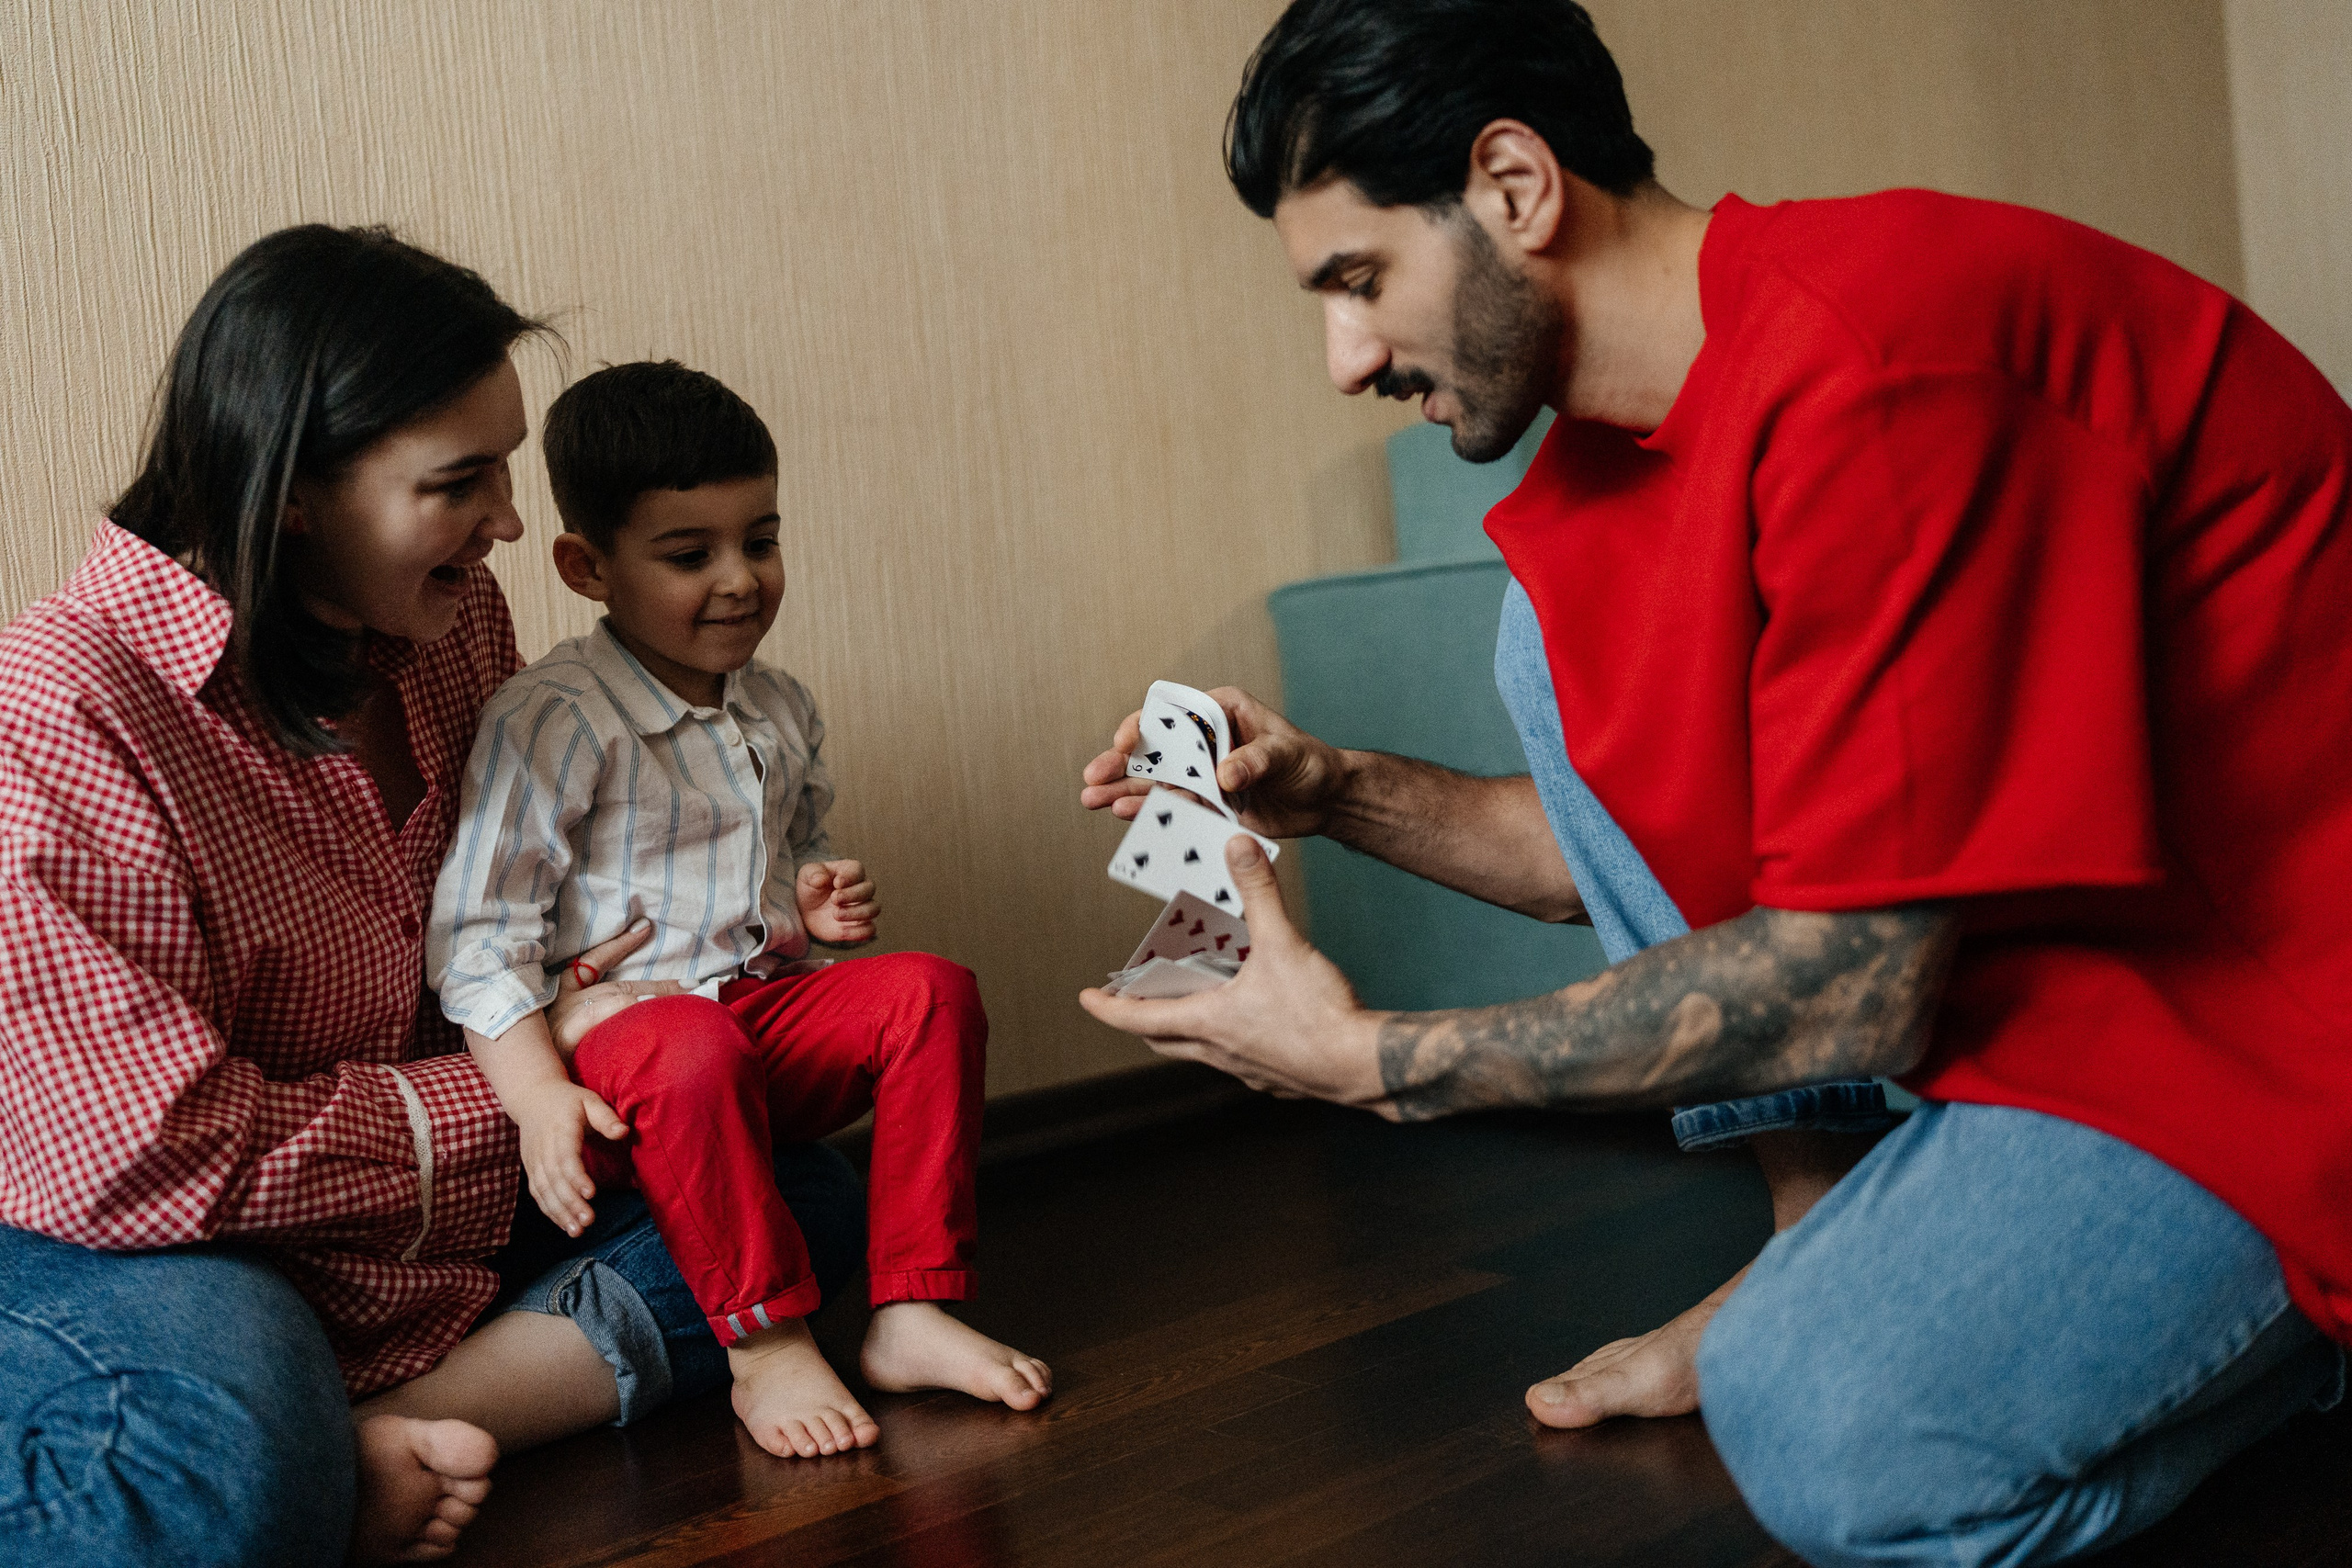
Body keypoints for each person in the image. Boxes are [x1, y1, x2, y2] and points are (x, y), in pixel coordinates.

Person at [1078, 1, 2352, 1562]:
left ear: (1515, 186)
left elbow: (1849, 984)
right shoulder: (1634, 458)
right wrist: (1333, 787)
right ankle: (1823, 1236)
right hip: (2050, 983)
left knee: (1828, 1429)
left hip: (2280, 1016)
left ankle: (2307, 1327)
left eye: (1359, 281)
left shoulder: (1883, 367)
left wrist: (1374, 1059)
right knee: (1553, 630)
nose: (1345, 358)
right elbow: (1612, 845)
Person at [0, 228, 865, 1568]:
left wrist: (713, 947)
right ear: (293, 491)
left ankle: (402, 1423)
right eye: (462, 482)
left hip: (445, 1189)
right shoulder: (59, 708)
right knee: (207, 1460)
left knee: (814, 1201)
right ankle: (304, 1437)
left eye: (505, 470)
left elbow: (537, 908)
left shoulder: (452, 618)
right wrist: (529, 1080)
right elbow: (142, 1153)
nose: (515, 523)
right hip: (171, 1234)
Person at [413, 360, 1050, 1461]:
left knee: (931, 993)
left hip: (755, 1019)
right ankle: (763, 1341)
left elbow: (789, 850)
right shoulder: (556, 717)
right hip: (630, 1054)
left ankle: (911, 1307)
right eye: (687, 554)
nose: (740, 580)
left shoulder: (779, 703)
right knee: (690, 1045)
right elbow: (479, 931)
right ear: (587, 566)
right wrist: (533, 1102)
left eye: (760, 540)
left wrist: (808, 898)